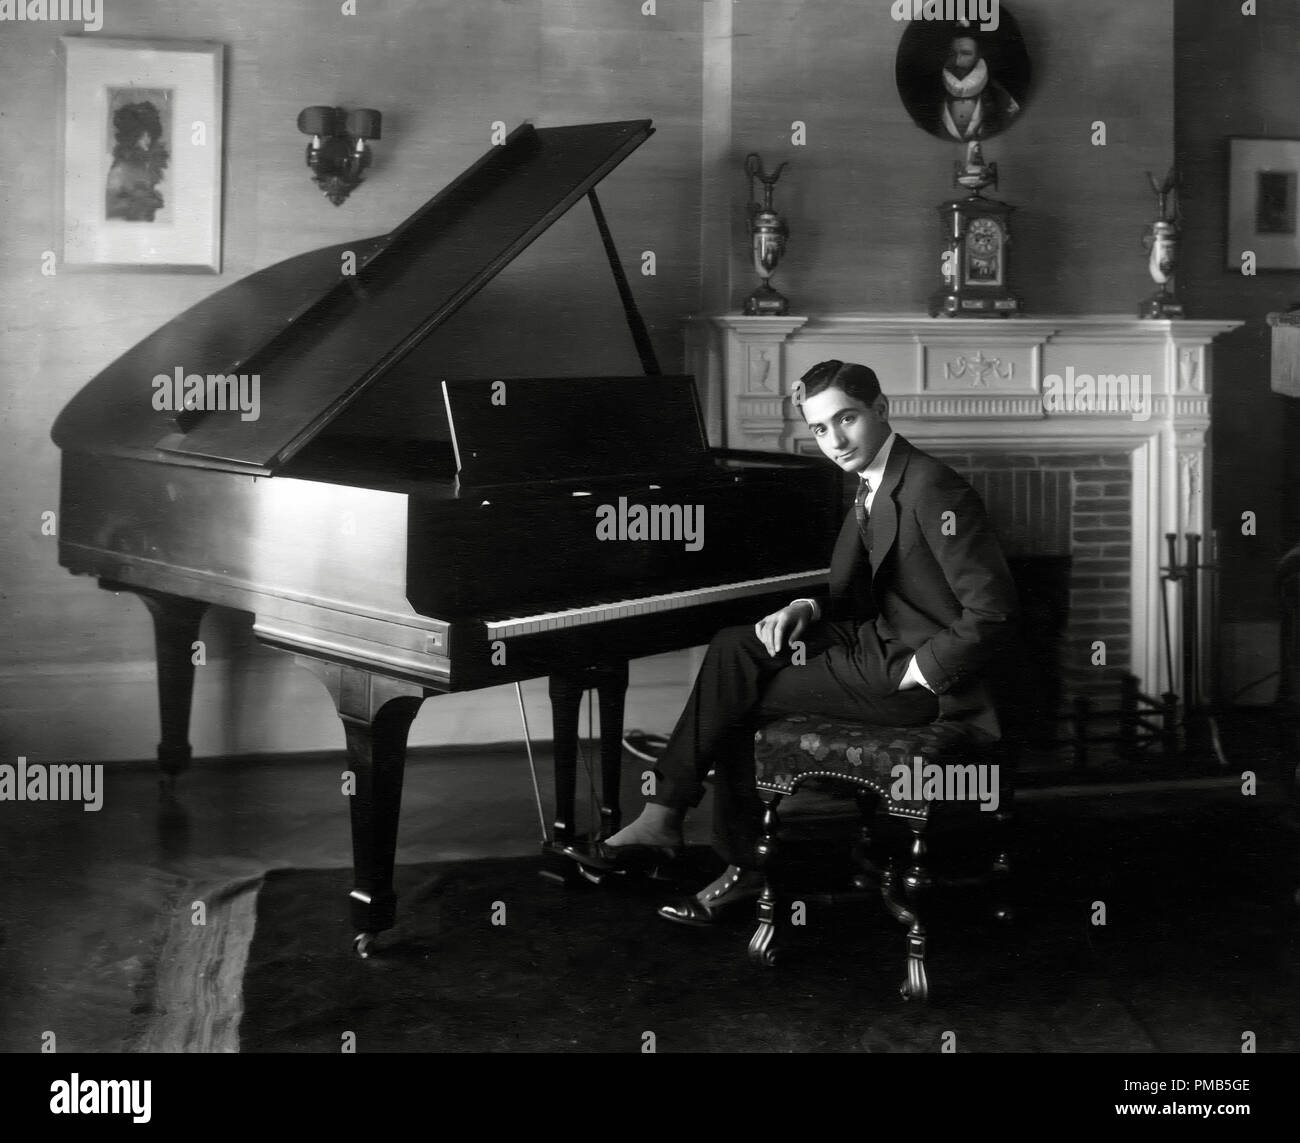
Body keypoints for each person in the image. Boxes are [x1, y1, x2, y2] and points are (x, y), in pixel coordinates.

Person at [587, 360, 1019, 925]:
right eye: (820, 429)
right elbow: (857, 591)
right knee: (736, 647)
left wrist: (923, 670)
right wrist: (804, 606)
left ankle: (724, 855)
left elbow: (995, 610)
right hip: (875, 648)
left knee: (740, 695)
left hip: (919, 681)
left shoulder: (933, 487)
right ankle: (671, 815)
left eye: (847, 419)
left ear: (881, 409)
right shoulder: (878, 479)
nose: (835, 441)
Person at [934, 33, 1020, 142]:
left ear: (978, 55)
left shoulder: (998, 94)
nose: (957, 60)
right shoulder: (932, 92)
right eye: (952, 54)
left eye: (966, 53)